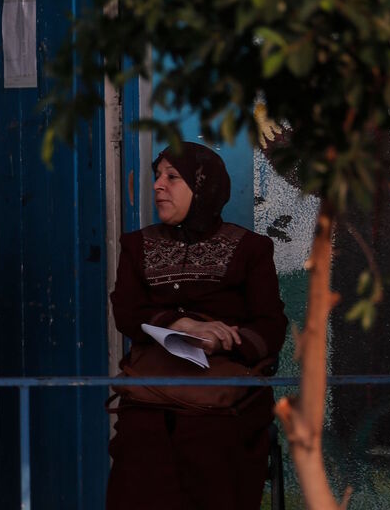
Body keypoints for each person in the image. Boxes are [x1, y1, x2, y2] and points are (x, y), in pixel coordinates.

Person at [106, 142, 287, 510]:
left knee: (209, 441)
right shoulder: (137, 246)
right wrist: (176, 323)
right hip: (155, 390)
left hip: (225, 395)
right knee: (140, 438)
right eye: (157, 176)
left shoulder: (250, 249)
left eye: (172, 177)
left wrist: (221, 342)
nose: (158, 185)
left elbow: (271, 325)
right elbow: (126, 311)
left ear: (203, 188)